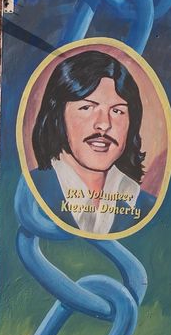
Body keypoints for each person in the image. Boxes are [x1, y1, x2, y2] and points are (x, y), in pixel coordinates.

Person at [27, 50, 156, 234]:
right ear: (58, 115)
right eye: (87, 107)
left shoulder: (146, 207)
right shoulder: (30, 193)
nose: (104, 124)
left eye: (117, 111)